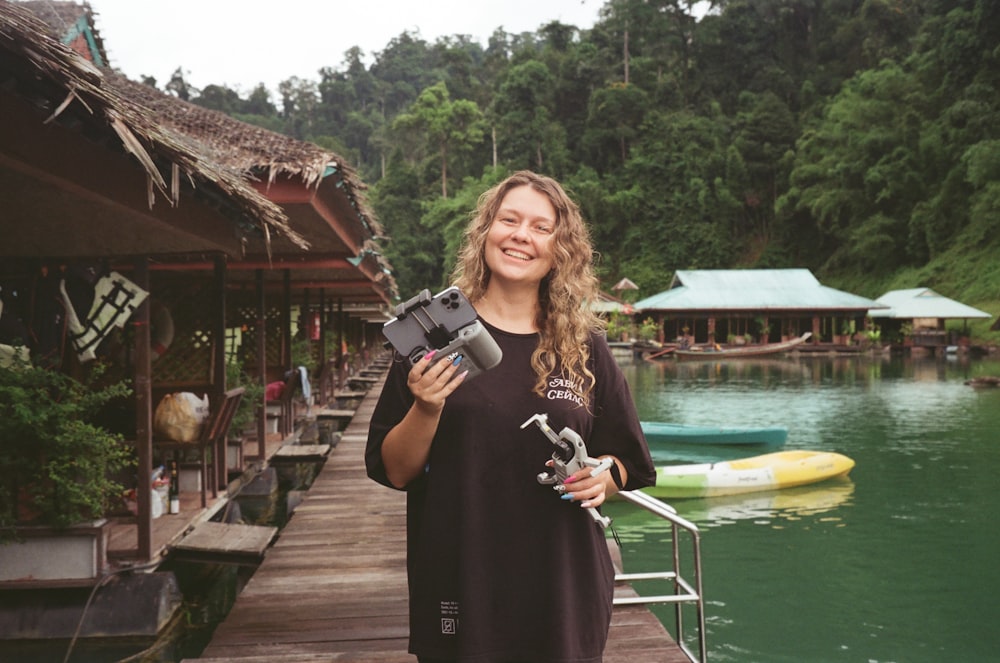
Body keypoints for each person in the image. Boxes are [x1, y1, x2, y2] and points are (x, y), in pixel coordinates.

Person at [366, 171, 655, 663]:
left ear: (562, 249)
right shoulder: (433, 336)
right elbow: (394, 470)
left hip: (564, 583)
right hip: (462, 578)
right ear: (485, 233)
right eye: (510, 220)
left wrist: (602, 480)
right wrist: (426, 405)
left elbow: (628, 461)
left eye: (542, 227)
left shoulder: (586, 346)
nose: (522, 235)